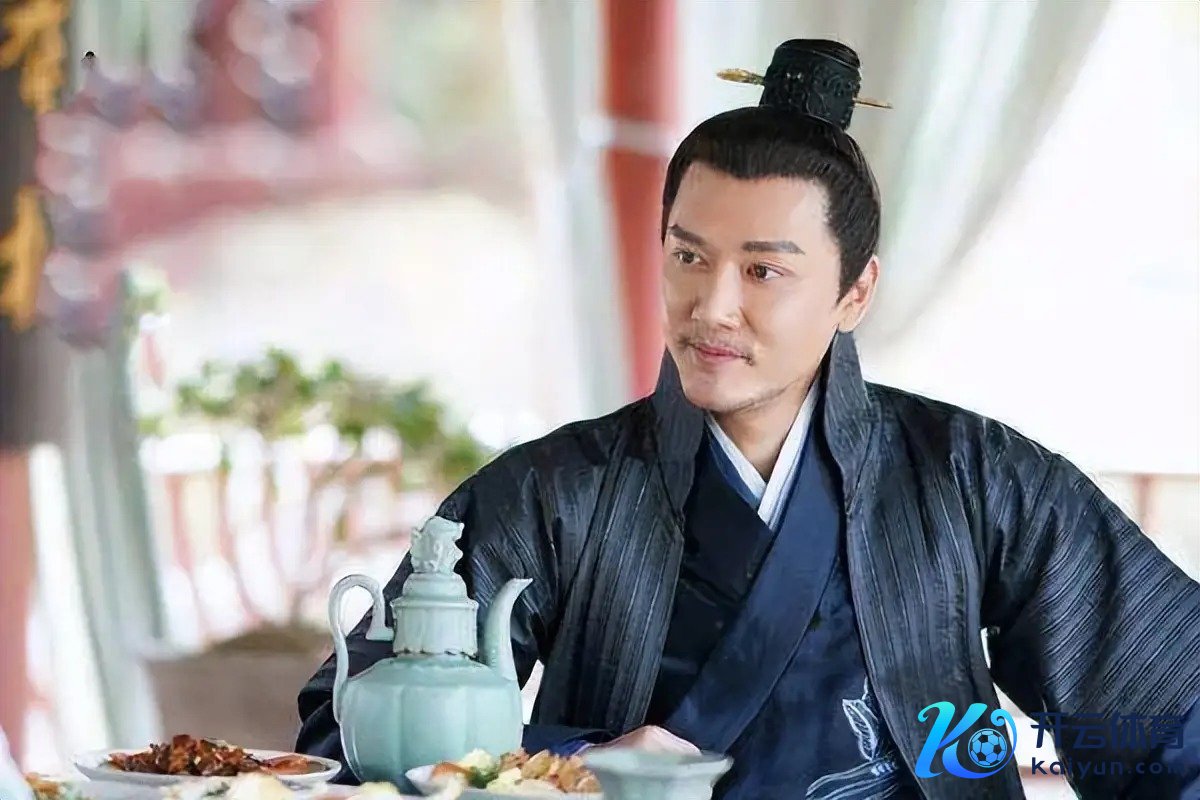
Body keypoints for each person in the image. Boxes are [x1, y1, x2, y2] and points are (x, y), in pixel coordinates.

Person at [297, 39, 1200, 799]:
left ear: (855, 292)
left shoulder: (972, 477)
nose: (712, 306)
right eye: (689, 257)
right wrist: (571, 764)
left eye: (764, 271)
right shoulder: (555, 491)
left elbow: (1171, 715)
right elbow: (354, 726)